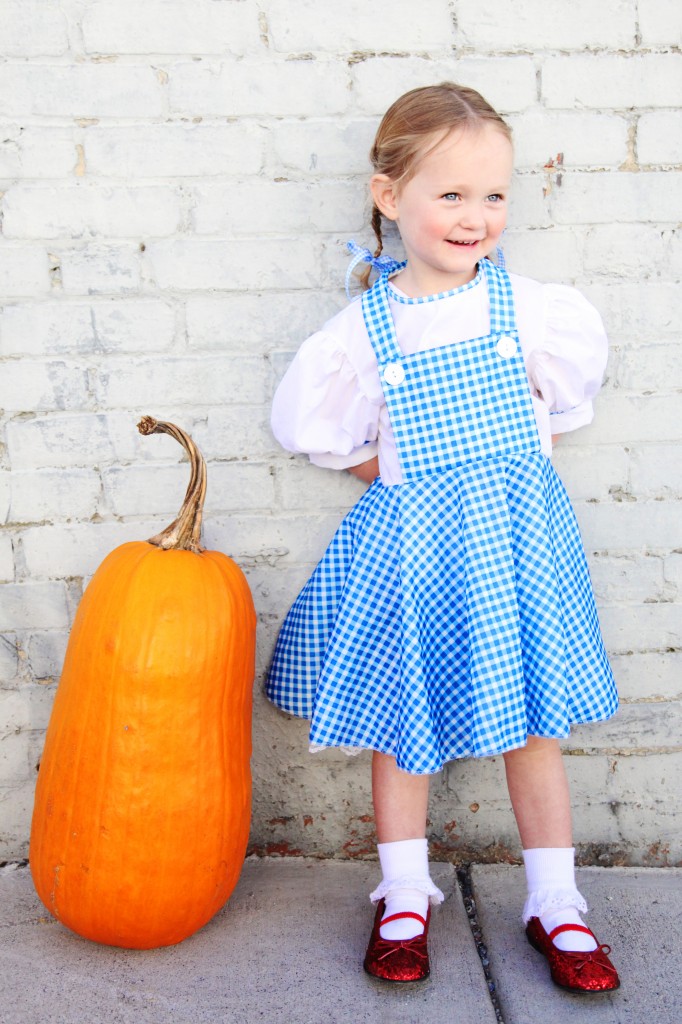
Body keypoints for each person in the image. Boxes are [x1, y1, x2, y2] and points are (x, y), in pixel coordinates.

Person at [267, 83, 620, 993]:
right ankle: (403, 890)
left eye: (494, 195)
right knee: (405, 725)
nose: (477, 217)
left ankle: (556, 901)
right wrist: (394, 472)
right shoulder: (367, 331)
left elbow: (560, 410)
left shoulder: (529, 312)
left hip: (514, 548)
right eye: (452, 195)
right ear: (391, 198)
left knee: (535, 722)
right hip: (412, 555)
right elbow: (322, 432)